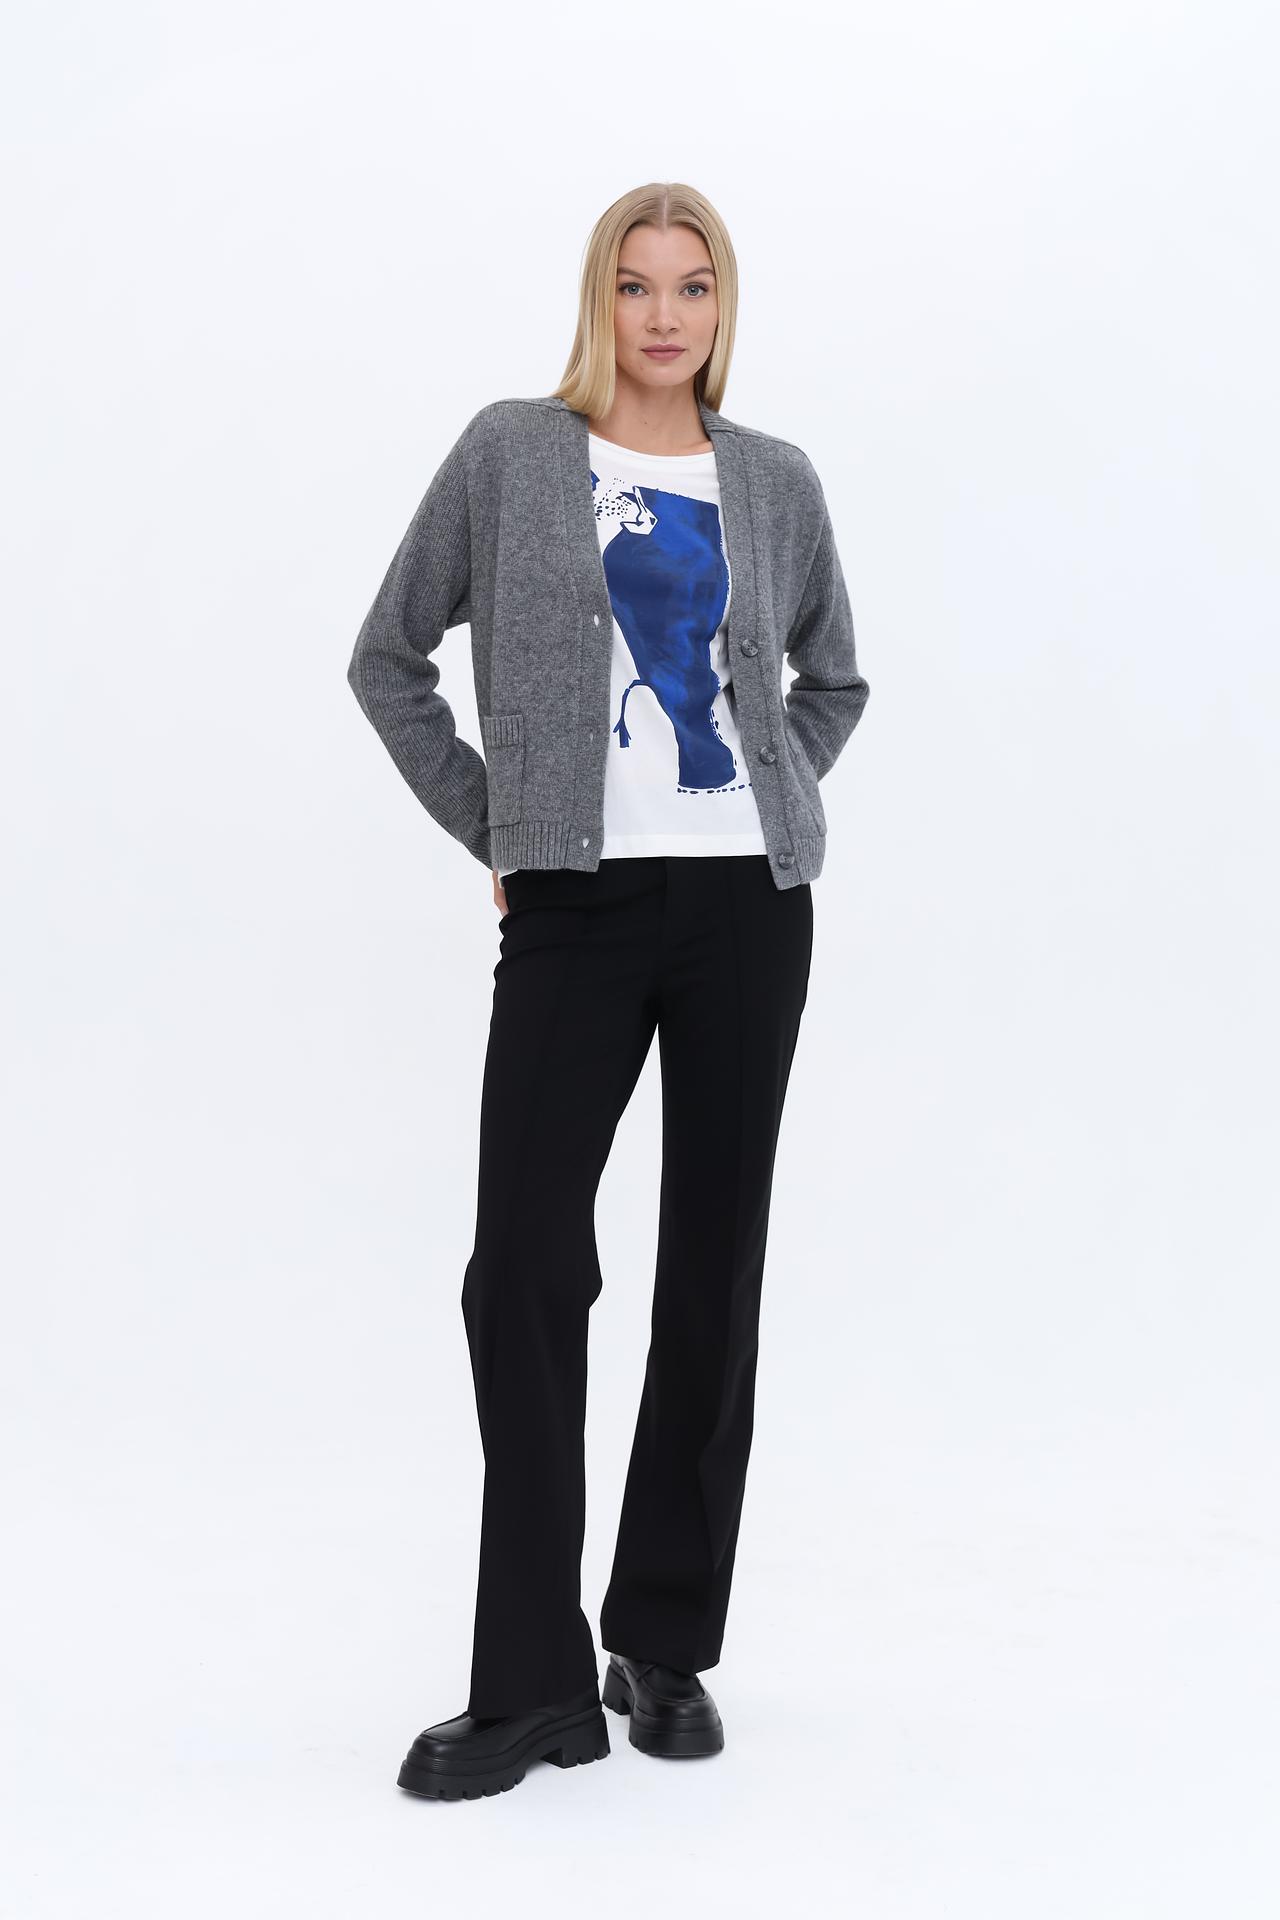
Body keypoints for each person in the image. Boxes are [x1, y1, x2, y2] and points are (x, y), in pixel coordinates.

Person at [347, 181, 870, 1800]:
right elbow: (387, 659)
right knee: (523, 1269)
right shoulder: (514, 451)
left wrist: (777, 798)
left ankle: (663, 1642)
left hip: (746, 914)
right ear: (600, 298)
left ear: (723, 306)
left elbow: (833, 677)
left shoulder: (774, 479)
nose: (663, 314)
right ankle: (530, 1686)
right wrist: (498, 822)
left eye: (692, 286)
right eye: (636, 285)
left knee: (713, 1263)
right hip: (571, 908)